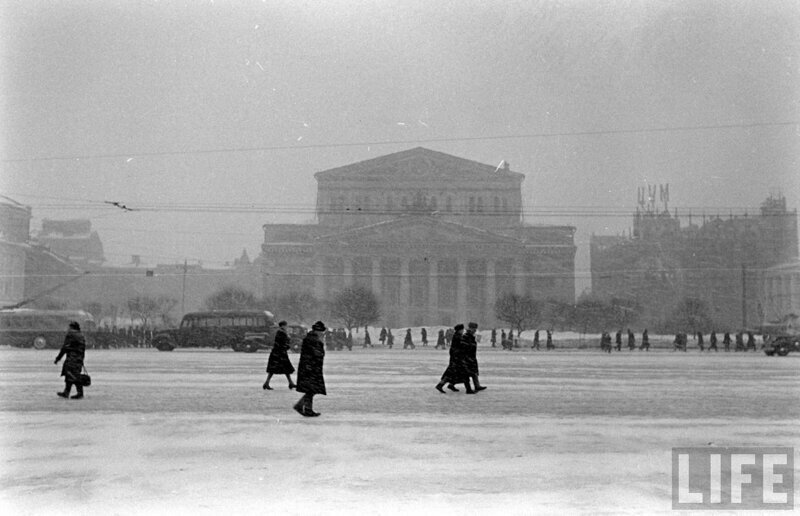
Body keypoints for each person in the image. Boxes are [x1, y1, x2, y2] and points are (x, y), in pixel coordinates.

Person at [294, 321, 327, 417]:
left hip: (311, 367)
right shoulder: (312, 339)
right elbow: (311, 354)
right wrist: (309, 365)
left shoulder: (312, 338)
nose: (323, 334)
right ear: (318, 331)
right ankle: (305, 408)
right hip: (311, 367)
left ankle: (303, 407)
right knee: (311, 389)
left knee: (311, 389)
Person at [435, 323, 473, 394]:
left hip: (455, 359)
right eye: (462, 329)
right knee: (464, 373)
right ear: (459, 330)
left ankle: (441, 385)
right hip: (457, 359)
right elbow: (459, 347)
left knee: (451, 374)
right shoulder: (458, 337)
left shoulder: (457, 336)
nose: (463, 331)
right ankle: (468, 390)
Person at [54, 321, 86, 399]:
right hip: (79, 358)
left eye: (69, 327)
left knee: (72, 375)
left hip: (72, 358)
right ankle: (67, 392)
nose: (68, 329)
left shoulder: (71, 335)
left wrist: (58, 358)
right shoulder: (81, 335)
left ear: (72, 327)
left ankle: (78, 393)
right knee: (72, 375)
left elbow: (65, 347)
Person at [263, 321, 296, 390]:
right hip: (280, 353)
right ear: (283, 325)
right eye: (286, 325)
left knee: (277, 369)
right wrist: (286, 346)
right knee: (285, 368)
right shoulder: (282, 333)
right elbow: (282, 343)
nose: (286, 327)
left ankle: (267, 383)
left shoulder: (281, 332)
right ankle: (290, 383)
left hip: (278, 352)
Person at [463, 322, 486, 392]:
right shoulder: (467, 336)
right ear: (470, 328)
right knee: (467, 373)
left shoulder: (471, 336)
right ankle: (472, 387)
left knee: (473, 372)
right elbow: (466, 346)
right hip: (468, 357)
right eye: (474, 329)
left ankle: (477, 385)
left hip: (472, 356)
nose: (475, 330)